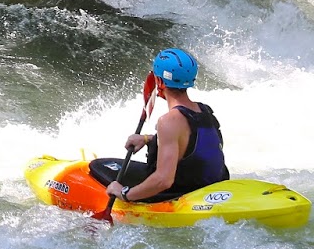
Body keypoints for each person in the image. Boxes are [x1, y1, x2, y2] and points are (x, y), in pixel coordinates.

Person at [94, 48, 229, 203]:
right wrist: (147, 139)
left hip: (179, 193)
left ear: (159, 82)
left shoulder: (168, 121)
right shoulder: (204, 111)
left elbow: (164, 181)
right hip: (211, 187)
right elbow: (193, 145)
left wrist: (124, 193)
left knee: (98, 167)